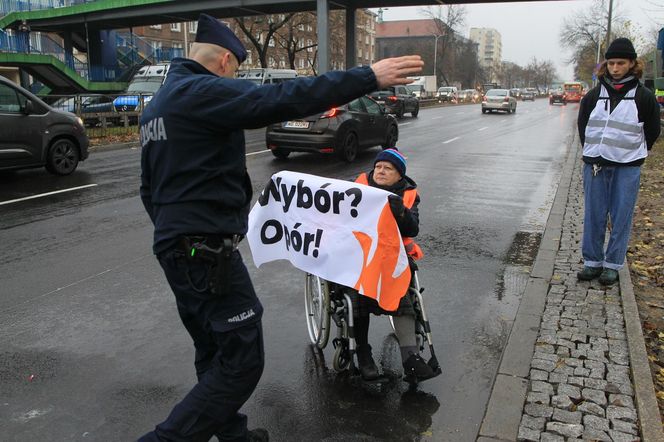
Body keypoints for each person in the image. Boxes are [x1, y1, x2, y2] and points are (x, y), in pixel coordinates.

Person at [137, 13, 423, 442]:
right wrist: (367, 76)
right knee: (243, 358)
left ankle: (232, 435)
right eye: (235, 71)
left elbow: (148, 189)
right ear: (224, 65)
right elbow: (283, 98)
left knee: (214, 349)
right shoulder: (200, 91)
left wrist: (174, 235)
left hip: (178, 248)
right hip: (205, 249)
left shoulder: (158, 105)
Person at [350, 148, 438, 384]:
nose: (380, 171)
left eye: (387, 168)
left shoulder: (408, 195)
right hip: (359, 255)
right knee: (358, 292)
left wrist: (401, 213)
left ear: (399, 175)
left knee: (402, 292)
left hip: (391, 258)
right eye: (378, 167)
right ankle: (363, 352)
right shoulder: (357, 186)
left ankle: (410, 357)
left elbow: (413, 229)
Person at [577, 37, 660, 285]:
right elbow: (583, 128)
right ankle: (592, 262)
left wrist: (633, 153)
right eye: (611, 63)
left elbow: (652, 131)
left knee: (621, 217)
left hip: (627, 168)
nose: (615, 68)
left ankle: (612, 265)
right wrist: (595, 152)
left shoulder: (643, 97)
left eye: (620, 63)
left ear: (632, 64)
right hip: (595, 166)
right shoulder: (593, 96)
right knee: (594, 215)